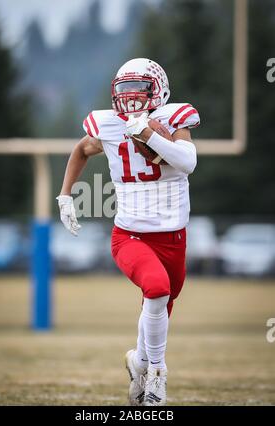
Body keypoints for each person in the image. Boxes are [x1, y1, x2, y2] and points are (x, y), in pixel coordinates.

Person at [57, 58, 200, 406]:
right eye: (126, 92)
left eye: (140, 91)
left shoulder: (172, 119)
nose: (132, 99)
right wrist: (65, 196)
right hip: (130, 236)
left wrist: (149, 134)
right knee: (156, 288)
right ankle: (156, 376)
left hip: (174, 238)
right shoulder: (107, 125)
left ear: (160, 91)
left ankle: (138, 362)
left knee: (160, 301)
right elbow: (81, 149)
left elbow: (187, 162)